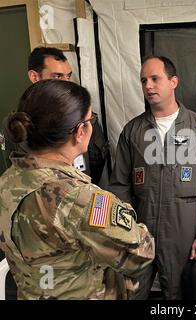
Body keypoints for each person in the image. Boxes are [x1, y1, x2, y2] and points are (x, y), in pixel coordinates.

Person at [0, 80, 154, 299]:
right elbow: (141, 251)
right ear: (80, 131)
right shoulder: (77, 197)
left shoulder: (8, 180)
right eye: (90, 119)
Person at [109, 55, 196, 299]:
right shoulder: (132, 131)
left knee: (179, 295)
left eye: (155, 79)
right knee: (131, 293)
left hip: (182, 235)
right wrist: (127, 231)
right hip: (140, 233)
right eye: (143, 81)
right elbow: (119, 185)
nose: (148, 86)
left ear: (173, 82)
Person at [3, 46, 108, 185]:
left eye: (68, 76)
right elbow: (13, 171)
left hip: (81, 195)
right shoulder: (17, 122)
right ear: (34, 76)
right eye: (57, 76)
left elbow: (98, 166)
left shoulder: (86, 118)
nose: (66, 82)